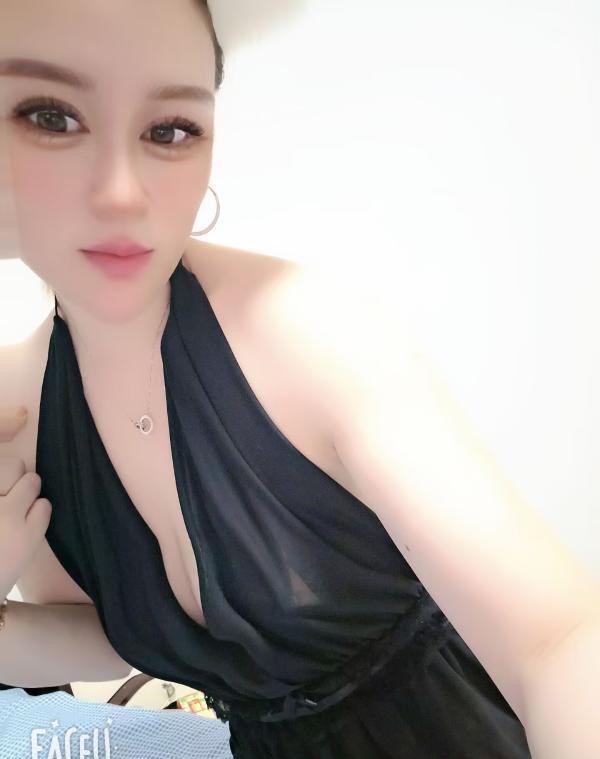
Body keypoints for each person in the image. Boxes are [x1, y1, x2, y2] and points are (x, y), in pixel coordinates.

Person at [1, 2, 599, 758]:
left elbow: (559, 645)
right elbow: (106, 641)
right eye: (51, 117)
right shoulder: (18, 407)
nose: (123, 192)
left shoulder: (306, 331)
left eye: (171, 129)